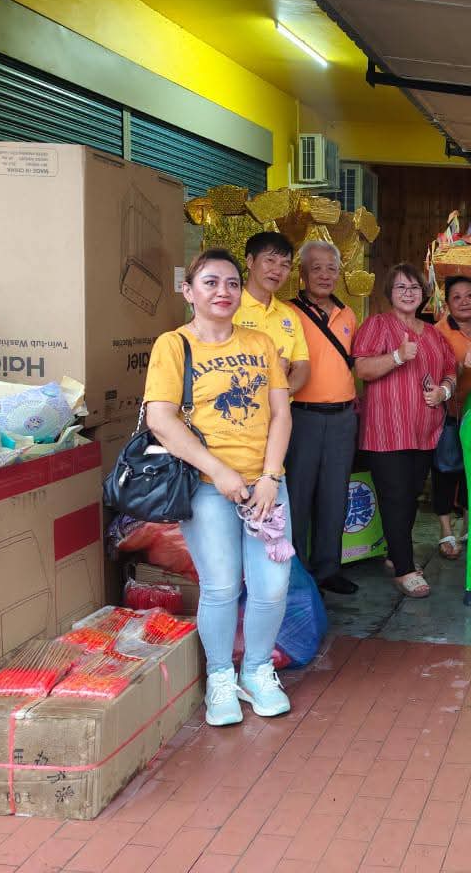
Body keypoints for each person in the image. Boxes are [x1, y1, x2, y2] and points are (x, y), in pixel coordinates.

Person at [143, 248, 293, 727]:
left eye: (231, 283)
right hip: (207, 486)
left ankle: (257, 670)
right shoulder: (173, 345)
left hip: (266, 485)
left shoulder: (261, 342)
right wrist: (220, 472)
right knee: (222, 586)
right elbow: (161, 419)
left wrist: (270, 476)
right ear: (189, 292)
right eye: (210, 282)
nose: (222, 291)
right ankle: (221, 678)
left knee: (272, 586)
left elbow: (281, 414)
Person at [353, 263, 457, 598]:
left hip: (424, 432)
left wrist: (444, 392)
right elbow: (363, 369)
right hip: (386, 432)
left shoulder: (434, 334)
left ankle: (395, 554)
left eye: (414, 287)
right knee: (396, 497)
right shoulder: (377, 325)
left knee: (409, 497)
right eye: (401, 287)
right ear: (390, 293)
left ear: (423, 293)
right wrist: (397, 356)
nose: (408, 293)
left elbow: (451, 370)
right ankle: (404, 568)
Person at [285, 240, 359, 597]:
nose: (325, 275)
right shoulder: (288, 313)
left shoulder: (348, 314)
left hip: (343, 417)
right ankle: (296, 571)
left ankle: (329, 568)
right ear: (302, 273)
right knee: (297, 495)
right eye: (316, 268)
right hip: (302, 416)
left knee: (335, 494)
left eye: (332, 268)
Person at [432, 275, 471, 561]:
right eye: (456, 297)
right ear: (447, 303)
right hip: (449, 413)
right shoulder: (438, 332)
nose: (464, 302)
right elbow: (431, 374)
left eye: (470, 295)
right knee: (445, 471)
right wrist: (458, 366)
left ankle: (470, 529)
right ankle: (446, 532)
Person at [234, 230, 310, 394]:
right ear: (250, 261)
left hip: (280, 407)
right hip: (237, 406)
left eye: (285, 265)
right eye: (270, 260)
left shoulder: (289, 315)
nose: (277, 270)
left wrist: (279, 395)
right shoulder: (229, 308)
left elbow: (302, 367)